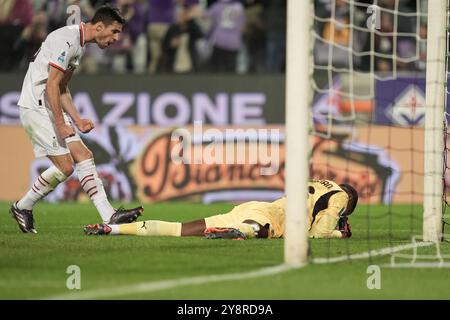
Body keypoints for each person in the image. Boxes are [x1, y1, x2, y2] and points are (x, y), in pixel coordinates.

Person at [10, 6, 144, 234]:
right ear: (99, 26)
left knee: (84, 155)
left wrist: (77, 119)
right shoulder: (67, 39)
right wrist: (62, 124)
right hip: (36, 105)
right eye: (114, 32)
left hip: (49, 103)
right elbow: (51, 84)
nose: (116, 38)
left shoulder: (79, 44)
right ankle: (23, 206)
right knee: (65, 167)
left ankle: (109, 216)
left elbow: (62, 87)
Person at [83, 180, 358, 239]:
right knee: (258, 229)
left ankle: (114, 228)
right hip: (275, 216)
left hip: (254, 206)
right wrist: (338, 234)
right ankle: (236, 231)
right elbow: (319, 233)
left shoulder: (318, 183)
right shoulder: (340, 196)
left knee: (181, 229)